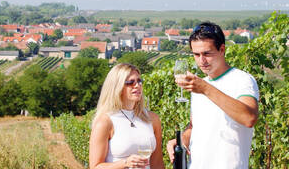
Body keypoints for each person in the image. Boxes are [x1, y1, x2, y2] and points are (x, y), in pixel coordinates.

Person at [166, 22, 259, 169]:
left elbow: (249, 118)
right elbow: (194, 126)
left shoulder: (242, 80)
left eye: (207, 54)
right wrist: (182, 140)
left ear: (222, 49)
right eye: (196, 55)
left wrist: (205, 89)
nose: (201, 61)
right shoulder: (199, 84)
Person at [89, 63, 165, 169]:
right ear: (117, 86)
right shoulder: (105, 122)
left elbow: (157, 163)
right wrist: (125, 163)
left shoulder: (152, 119)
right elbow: (95, 166)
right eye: (130, 82)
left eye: (139, 81)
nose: (137, 85)